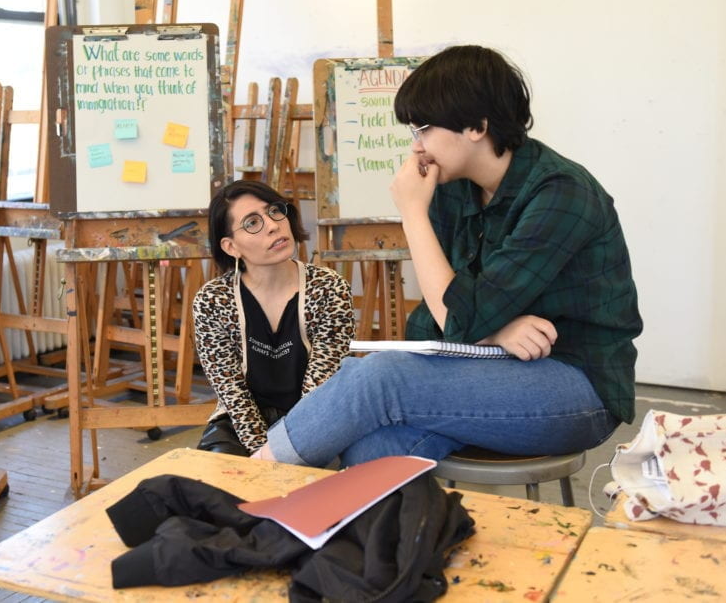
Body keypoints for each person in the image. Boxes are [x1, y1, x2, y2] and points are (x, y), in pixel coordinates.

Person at [252, 44, 643, 467]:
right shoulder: (455, 189)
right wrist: (493, 332)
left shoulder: (561, 193)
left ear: (475, 125)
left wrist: (412, 214)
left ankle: (251, 477)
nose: (417, 148)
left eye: (422, 129)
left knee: (384, 376)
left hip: (576, 386)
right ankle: (390, 532)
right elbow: (432, 322)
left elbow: (455, 319)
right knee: (374, 447)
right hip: (490, 365)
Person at [192, 180, 355, 456]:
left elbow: (319, 389)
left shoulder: (328, 288)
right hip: (242, 422)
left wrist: (284, 453)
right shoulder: (212, 301)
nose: (272, 225)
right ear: (231, 246)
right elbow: (233, 394)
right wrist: (263, 457)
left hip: (316, 417)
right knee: (215, 479)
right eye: (252, 223)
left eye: (274, 212)